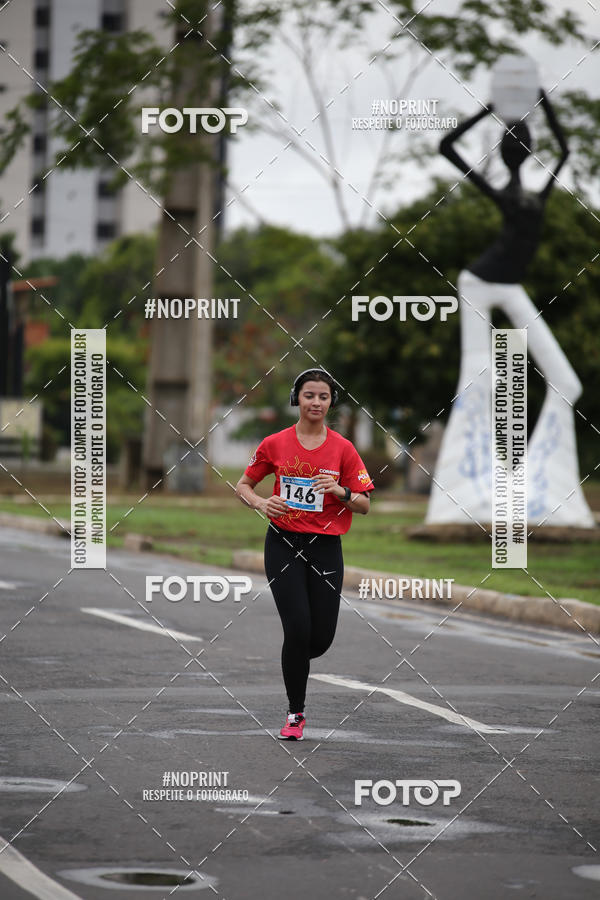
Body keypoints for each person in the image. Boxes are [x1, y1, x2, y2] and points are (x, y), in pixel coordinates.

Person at [426, 90, 594, 526]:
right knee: (480, 381)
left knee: (566, 383)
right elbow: (447, 147)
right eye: (511, 143)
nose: (519, 148)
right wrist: (490, 108)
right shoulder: (503, 193)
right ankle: (463, 496)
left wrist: (540, 99)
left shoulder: (539, 187)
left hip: (510, 286)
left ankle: (540, 491)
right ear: (504, 151)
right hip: (479, 284)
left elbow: (567, 147)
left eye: (523, 144)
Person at [235, 368, 374, 740]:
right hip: (283, 543)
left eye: (323, 397)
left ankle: (292, 661)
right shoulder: (275, 443)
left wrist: (340, 491)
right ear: (297, 398)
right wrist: (262, 504)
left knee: (320, 638)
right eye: (309, 395)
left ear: (331, 402)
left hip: (326, 548)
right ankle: (295, 714)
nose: (316, 402)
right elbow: (244, 485)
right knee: (297, 627)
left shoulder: (343, 449)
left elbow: (364, 504)